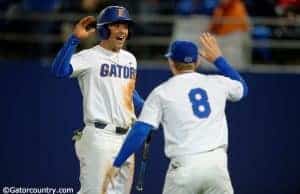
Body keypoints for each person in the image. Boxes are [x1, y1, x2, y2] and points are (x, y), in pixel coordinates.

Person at [105, 33, 248, 194]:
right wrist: (218, 60)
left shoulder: (162, 92)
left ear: (171, 62)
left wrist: (117, 163)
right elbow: (242, 88)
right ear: (198, 61)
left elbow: (140, 131)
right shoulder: (217, 82)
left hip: (184, 169)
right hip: (217, 167)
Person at [51, 5, 144, 194]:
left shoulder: (130, 59)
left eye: (125, 26)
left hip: (127, 138)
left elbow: (128, 92)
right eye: (116, 25)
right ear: (103, 29)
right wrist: (74, 39)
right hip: (100, 136)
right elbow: (59, 71)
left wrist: (150, 110)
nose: (122, 31)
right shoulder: (89, 57)